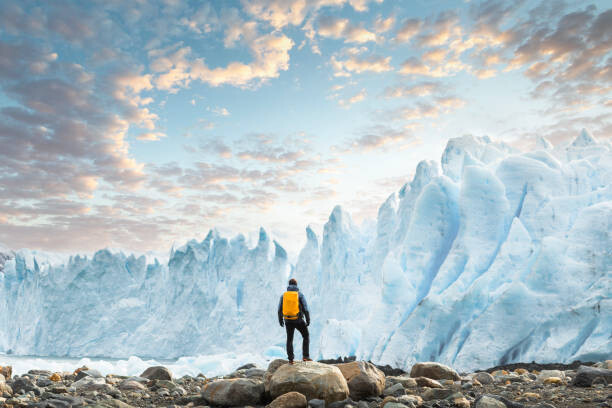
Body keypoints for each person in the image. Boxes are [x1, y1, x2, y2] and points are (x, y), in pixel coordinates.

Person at [278, 278, 311, 363]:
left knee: (289, 339)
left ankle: (291, 359)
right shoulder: (299, 294)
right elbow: (305, 307)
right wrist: (307, 319)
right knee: (305, 335)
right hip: (298, 319)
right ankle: (305, 356)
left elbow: (279, 308)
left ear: (288, 285)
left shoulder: (284, 295)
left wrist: (280, 319)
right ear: (296, 285)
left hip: (288, 320)